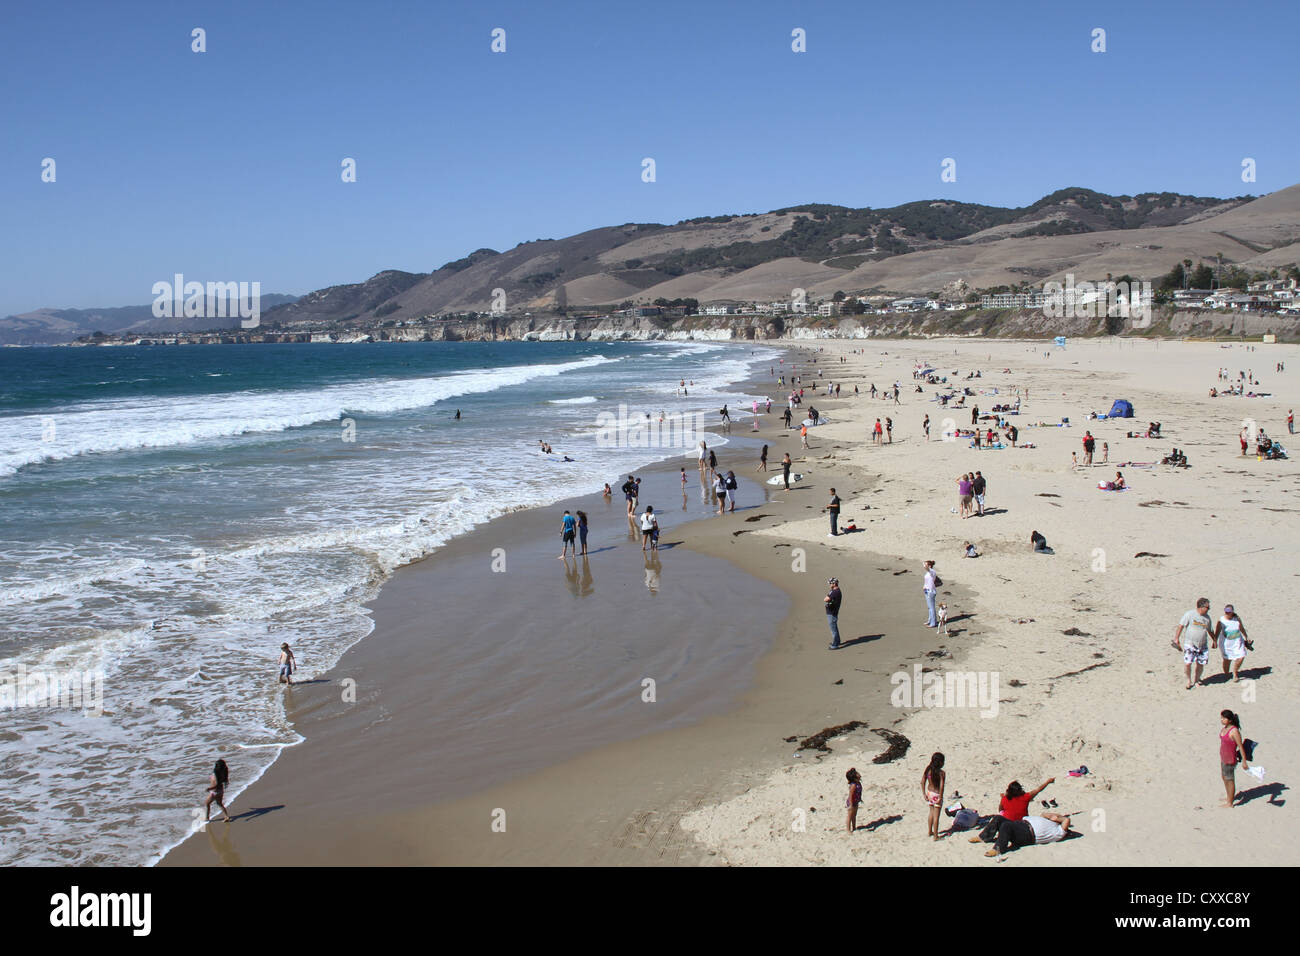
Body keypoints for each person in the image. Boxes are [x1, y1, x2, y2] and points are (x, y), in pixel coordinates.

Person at [969, 777, 1054, 844]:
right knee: (1000, 820)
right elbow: (1038, 789)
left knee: (997, 818)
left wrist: (1003, 798)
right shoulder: (1025, 797)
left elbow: (1000, 810)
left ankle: (983, 837)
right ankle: (984, 838)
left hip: (1008, 826)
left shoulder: (1005, 798)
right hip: (1020, 828)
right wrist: (1048, 782)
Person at [984, 812, 1072, 857]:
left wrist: (1058, 818)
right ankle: (983, 837)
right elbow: (1044, 813)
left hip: (1028, 835)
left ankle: (998, 849)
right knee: (998, 818)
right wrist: (1052, 817)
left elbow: (1066, 820)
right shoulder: (1048, 821)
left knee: (1006, 826)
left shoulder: (1059, 831)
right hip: (1022, 825)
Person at [1172, 597, 1213, 689]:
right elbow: (1181, 626)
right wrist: (1176, 638)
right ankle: (1188, 680)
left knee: (1200, 664)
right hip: (1190, 644)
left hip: (1202, 644)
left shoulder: (1207, 618)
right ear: (1201, 607)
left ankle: (1197, 679)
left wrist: (1214, 640)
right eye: (1207, 608)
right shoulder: (1190, 614)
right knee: (1188, 663)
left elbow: (1210, 630)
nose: (1208, 609)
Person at [1220, 710, 1249, 808]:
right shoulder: (1225, 728)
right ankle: (1229, 797)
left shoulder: (1234, 731)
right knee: (1224, 777)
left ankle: (1230, 803)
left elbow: (1240, 747)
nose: (1222, 720)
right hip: (1224, 757)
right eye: (1221, 718)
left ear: (1230, 720)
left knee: (1230, 779)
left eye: (1224, 718)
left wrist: (1244, 761)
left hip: (1230, 758)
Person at [1215, 605, 1251, 682]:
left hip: (1237, 642)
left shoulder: (1237, 619)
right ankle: (1227, 674)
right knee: (1227, 660)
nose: (1227, 613)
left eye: (1229, 612)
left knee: (1241, 656)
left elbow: (1241, 628)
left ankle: (1235, 673)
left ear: (1232, 612)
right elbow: (1217, 631)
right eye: (1226, 611)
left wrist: (1246, 637)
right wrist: (1214, 641)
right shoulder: (1221, 620)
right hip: (1226, 644)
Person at [922, 753, 946, 841]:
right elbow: (942, 786)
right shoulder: (941, 773)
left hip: (929, 793)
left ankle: (929, 831)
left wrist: (924, 793)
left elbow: (923, 781)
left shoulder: (928, 770)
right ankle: (936, 836)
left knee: (931, 813)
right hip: (936, 794)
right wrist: (941, 796)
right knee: (936, 816)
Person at [204, 759, 232, 823]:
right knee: (219, 804)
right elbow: (219, 783)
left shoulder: (216, 774)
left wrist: (209, 788)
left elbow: (216, 784)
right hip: (220, 790)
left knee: (207, 803)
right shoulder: (224, 772)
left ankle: (207, 818)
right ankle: (226, 816)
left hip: (214, 791)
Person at [825, 577, 843, 650]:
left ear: (834, 583)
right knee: (834, 627)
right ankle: (837, 640)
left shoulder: (835, 592)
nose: (829, 585)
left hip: (832, 613)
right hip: (832, 612)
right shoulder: (835, 591)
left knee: (833, 629)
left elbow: (826, 599)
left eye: (830, 583)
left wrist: (828, 597)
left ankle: (835, 644)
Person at [922, 560, 940, 628]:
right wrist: (924, 587)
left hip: (931, 591)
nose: (924, 566)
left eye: (926, 565)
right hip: (927, 590)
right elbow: (927, 581)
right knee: (929, 607)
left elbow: (928, 569)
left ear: (929, 566)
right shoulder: (928, 573)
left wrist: (925, 565)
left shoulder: (932, 571)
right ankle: (930, 620)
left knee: (932, 608)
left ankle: (933, 623)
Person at [845, 768, 862, 832]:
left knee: (854, 815)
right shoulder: (854, 785)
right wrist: (851, 805)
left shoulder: (858, 783)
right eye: (857, 774)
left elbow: (859, 792)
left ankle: (854, 827)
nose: (859, 774)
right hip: (851, 802)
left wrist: (859, 799)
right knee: (850, 816)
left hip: (856, 801)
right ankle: (848, 830)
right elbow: (850, 795)